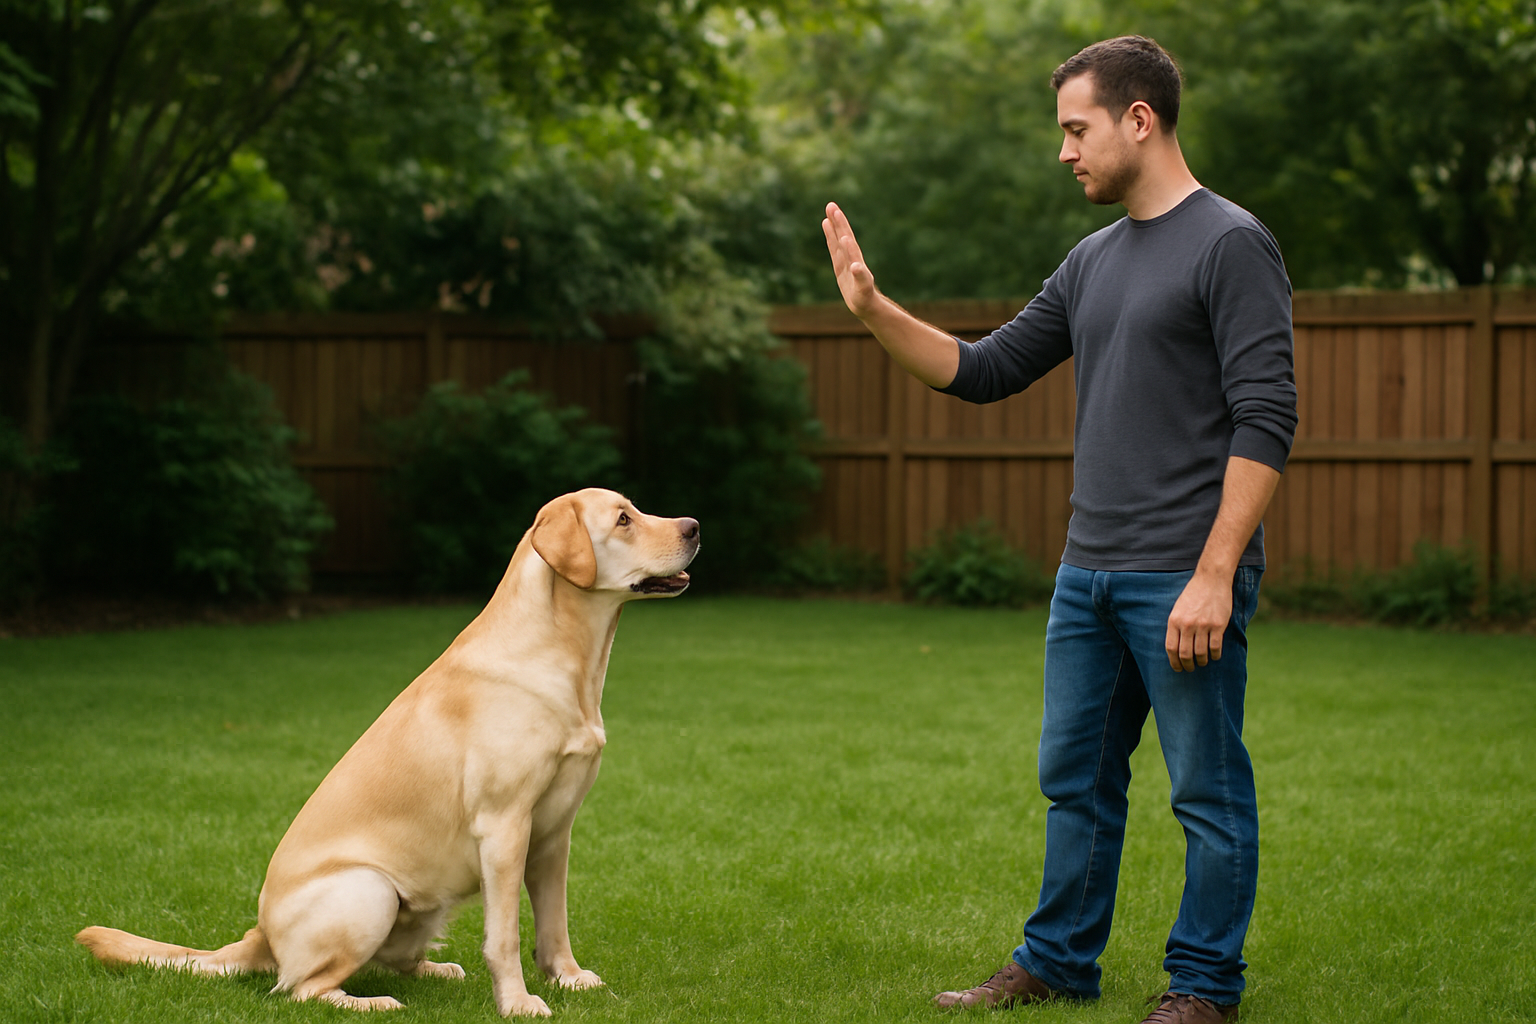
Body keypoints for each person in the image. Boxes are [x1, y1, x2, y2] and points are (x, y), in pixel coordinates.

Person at [821, 35, 1298, 1024]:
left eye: (1076, 129)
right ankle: (1058, 961)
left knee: (1205, 790)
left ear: (1140, 119)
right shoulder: (1092, 261)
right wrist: (872, 311)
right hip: (1088, 575)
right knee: (1074, 779)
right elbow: (984, 369)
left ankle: (1204, 987)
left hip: (1183, 572)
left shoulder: (1230, 243)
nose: (1065, 150)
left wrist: (1216, 573)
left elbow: (1266, 418)